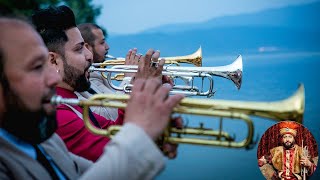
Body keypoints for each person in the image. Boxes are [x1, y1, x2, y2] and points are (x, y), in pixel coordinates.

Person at [0, 17, 183, 179]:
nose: (54, 78)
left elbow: (106, 157)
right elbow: (108, 157)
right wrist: (141, 128)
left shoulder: (47, 142)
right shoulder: (56, 115)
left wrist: (154, 136)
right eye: (37, 67)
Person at [31, 5, 180, 162]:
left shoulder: (72, 102)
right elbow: (119, 162)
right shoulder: (58, 115)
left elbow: (117, 131)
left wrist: (158, 129)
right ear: (53, 61)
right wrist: (140, 84)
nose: (90, 55)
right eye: (79, 49)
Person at [76, 23, 138, 121]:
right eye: (102, 43)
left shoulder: (97, 75)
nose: (107, 47)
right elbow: (111, 117)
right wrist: (128, 78)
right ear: (87, 48)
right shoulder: (82, 81)